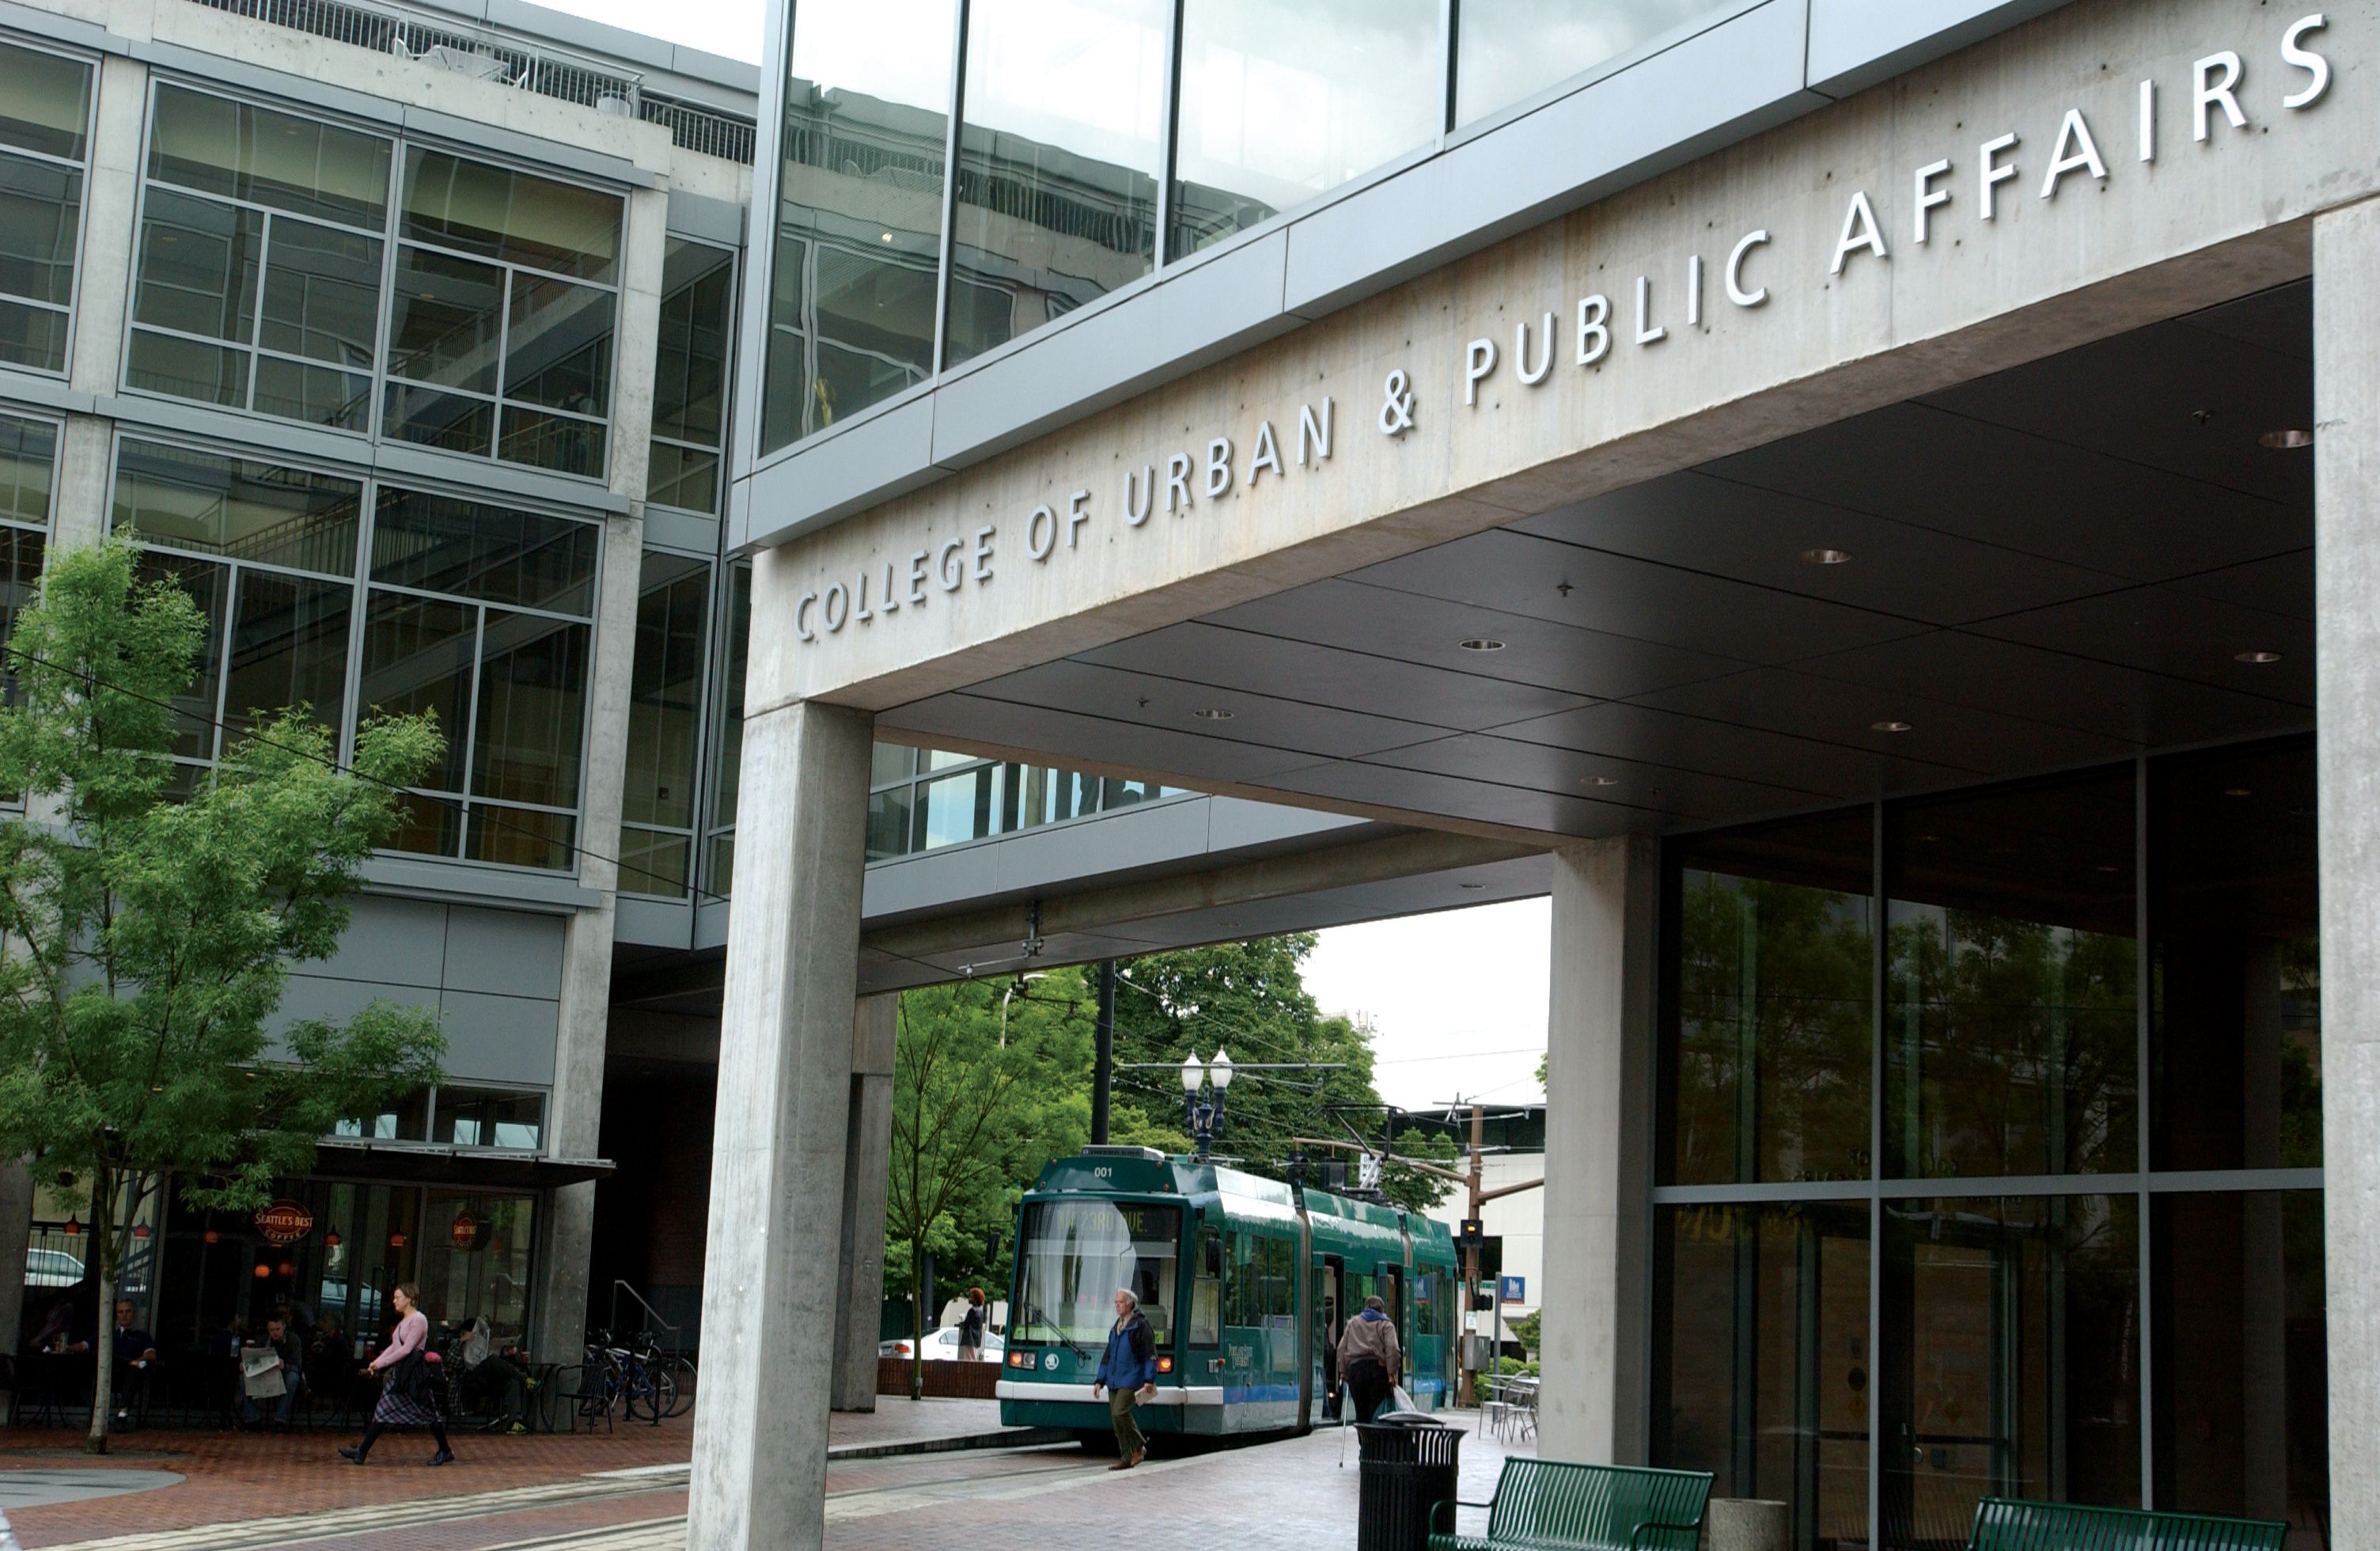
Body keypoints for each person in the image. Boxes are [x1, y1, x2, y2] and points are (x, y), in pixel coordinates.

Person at [339, 1284, 453, 1466]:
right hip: (401, 1375)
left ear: (409, 1299)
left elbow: (407, 1349)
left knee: (430, 1414)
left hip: (413, 1376)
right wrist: (377, 1362)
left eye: (398, 1297)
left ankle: (445, 1450)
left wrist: (382, 1363)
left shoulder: (419, 1320)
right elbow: (394, 1347)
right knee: (383, 1410)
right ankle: (361, 1452)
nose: (394, 1301)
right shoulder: (404, 1322)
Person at [1089, 1287, 1156, 1470]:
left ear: (1130, 1304)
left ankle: (1139, 1446)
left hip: (1131, 1377)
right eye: (1115, 1303)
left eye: (1120, 1302)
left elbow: (1151, 1353)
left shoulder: (1140, 1325)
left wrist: (1150, 1378)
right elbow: (1108, 1355)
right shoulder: (1116, 1327)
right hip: (1113, 1378)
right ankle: (1127, 1457)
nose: (1116, 1306)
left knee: (1120, 1412)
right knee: (1116, 1419)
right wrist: (1099, 1381)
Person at [1337, 1294, 1401, 1424]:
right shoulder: (1386, 1325)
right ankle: (1373, 1441)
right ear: (1381, 1309)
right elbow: (1393, 1348)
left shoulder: (1353, 1323)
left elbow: (1341, 1348)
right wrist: (1391, 1374)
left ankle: (1364, 1441)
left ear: (1365, 1307)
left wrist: (1343, 1371)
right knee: (1375, 1410)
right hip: (1377, 1370)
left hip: (1356, 1370)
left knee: (1361, 1411)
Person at [241, 1313, 305, 1432]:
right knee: (244, 1377)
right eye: (272, 1330)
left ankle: (280, 1420)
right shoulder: (263, 1340)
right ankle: (253, 1419)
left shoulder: (294, 1340)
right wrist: (246, 1365)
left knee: (293, 1378)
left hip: (284, 1374)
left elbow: (297, 1367)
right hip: (265, 1374)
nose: (275, 1333)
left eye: (278, 1329)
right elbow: (254, 1359)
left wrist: (284, 1365)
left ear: (284, 1326)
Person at [108, 1300, 158, 1425]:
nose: (124, 1315)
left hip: (130, 1376)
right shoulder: (109, 1335)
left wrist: (137, 1361)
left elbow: (151, 1354)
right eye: (120, 1312)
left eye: (128, 1311)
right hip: (109, 1374)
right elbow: (84, 1346)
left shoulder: (142, 1336)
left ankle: (122, 1415)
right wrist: (67, 1347)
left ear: (134, 1313)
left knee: (135, 1370)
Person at [957, 1288, 987, 1362]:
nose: (970, 1298)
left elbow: (966, 1323)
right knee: (973, 1358)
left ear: (976, 1299)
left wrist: (961, 1323)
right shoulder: (980, 1311)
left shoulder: (972, 1310)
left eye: (972, 1297)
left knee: (968, 1359)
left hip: (969, 1339)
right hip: (976, 1339)